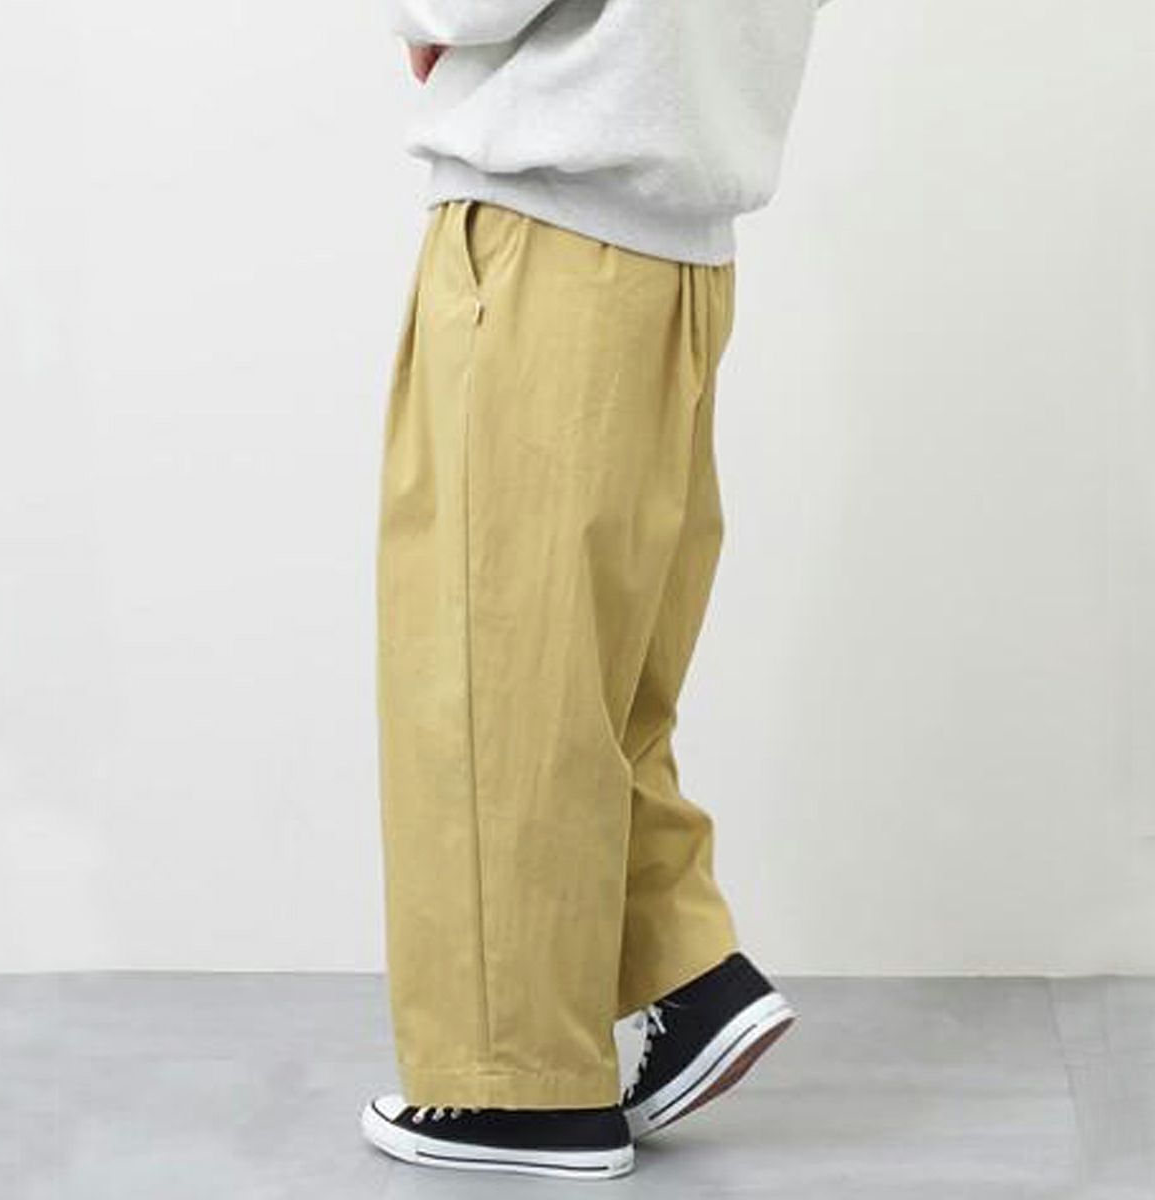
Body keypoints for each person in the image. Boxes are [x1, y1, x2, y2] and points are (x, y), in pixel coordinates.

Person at [362, 0, 835, 1180]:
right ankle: (685, 969)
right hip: (680, 255)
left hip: (549, 232)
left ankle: (518, 1088)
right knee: (593, 680)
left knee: (490, 676)